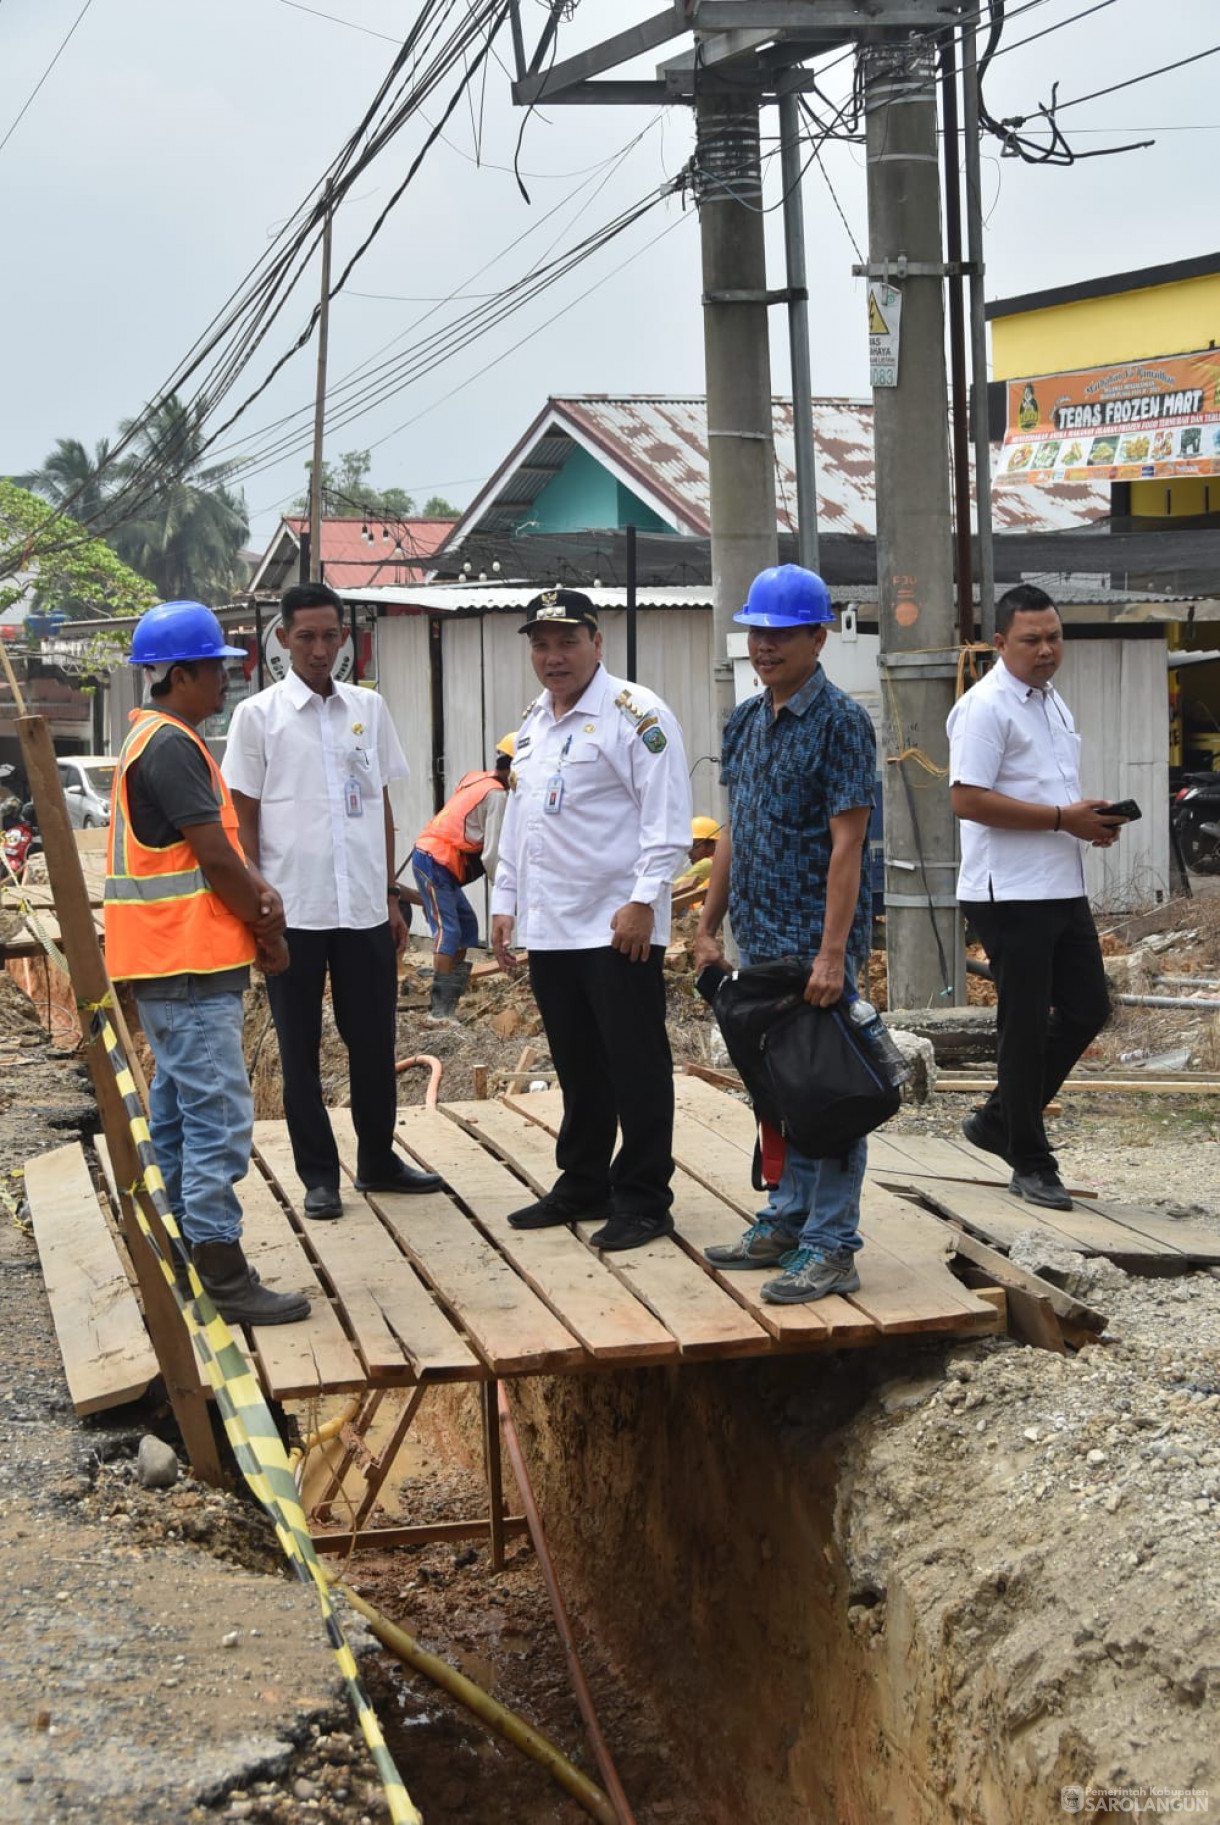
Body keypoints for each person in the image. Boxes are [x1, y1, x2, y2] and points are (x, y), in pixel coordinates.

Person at [104, 599, 309, 1325]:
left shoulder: (155, 739)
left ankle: (188, 1245)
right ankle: (222, 1269)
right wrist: (267, 925)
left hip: (169, 965)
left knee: (181, 1113)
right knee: (218, 1115)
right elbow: (217, 856)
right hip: (185, 966)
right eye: (216, 670)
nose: (226, 682)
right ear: (181, 674)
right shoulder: (171, 747)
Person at [222, 581, 440, 1221]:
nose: (319, 649)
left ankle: (377, 1160)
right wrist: (260, 912)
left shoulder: (366, 711)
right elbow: (245, 821)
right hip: (294, 914)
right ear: (283, 640)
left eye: (330, 635)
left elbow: (382, 807)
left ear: (345, 639)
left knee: (373, 1041)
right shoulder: (257, 717)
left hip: (364, 913)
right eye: (307, 636)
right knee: (300, 1048)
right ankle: (320, 1176)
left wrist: (391, 899)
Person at [693, 564, 877, 1304]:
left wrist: (833, 952)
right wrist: (708, 924)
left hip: (813, 945)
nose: (764, 646)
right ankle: (789, 1218)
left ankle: (833, 1246)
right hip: (759, 939)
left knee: (827, 1089)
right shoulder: (745, 721)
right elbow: (736, 830)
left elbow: (848, 846)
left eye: (780, 634)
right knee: (781, 1088)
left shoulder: (842, 724)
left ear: (816, 636)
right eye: (756, 632)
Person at [490, 587, 692, 1251]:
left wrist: (642, 900)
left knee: (634, 1062)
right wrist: (505, 902)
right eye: (541, 644)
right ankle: (582, 1180)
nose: (554, 656)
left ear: (596, 643)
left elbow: (668, 821)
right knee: (577, 1062)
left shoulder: (635, 715)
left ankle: (642, 1196)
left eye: (567, 641)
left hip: (616, 925)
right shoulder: (534, 723)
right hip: (551, 924)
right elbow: (521, 821)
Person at [947, 583, 1120, 1211]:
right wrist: (1059, 819)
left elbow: (1051, 791)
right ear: (999, 644)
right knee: (1021, 1023)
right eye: (1031, 640)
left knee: (1087, 1007)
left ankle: (1000, 1118)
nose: (1046, 650)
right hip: (1009, 891)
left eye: (1054, 637)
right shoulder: (984, 707)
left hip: (1060, 881)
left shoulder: (1050, 702)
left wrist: (1087, 821)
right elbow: (966, 799)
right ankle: (1029, 1156)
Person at [410, 734, 513, 1025]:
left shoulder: (476, 779)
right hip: (436, 860)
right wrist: (505, 892)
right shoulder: (497, 795)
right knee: (449, 929)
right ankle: (438, 1013)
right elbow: (492, 854)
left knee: (467, 926)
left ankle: (448, 1002)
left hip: (440, 861)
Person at [673, 815, 720, 895]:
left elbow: (673, 888)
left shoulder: (707, 863)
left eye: (694, 846)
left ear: (710, 845)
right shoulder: (719, 863)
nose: (690, 851)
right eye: (688, 847)